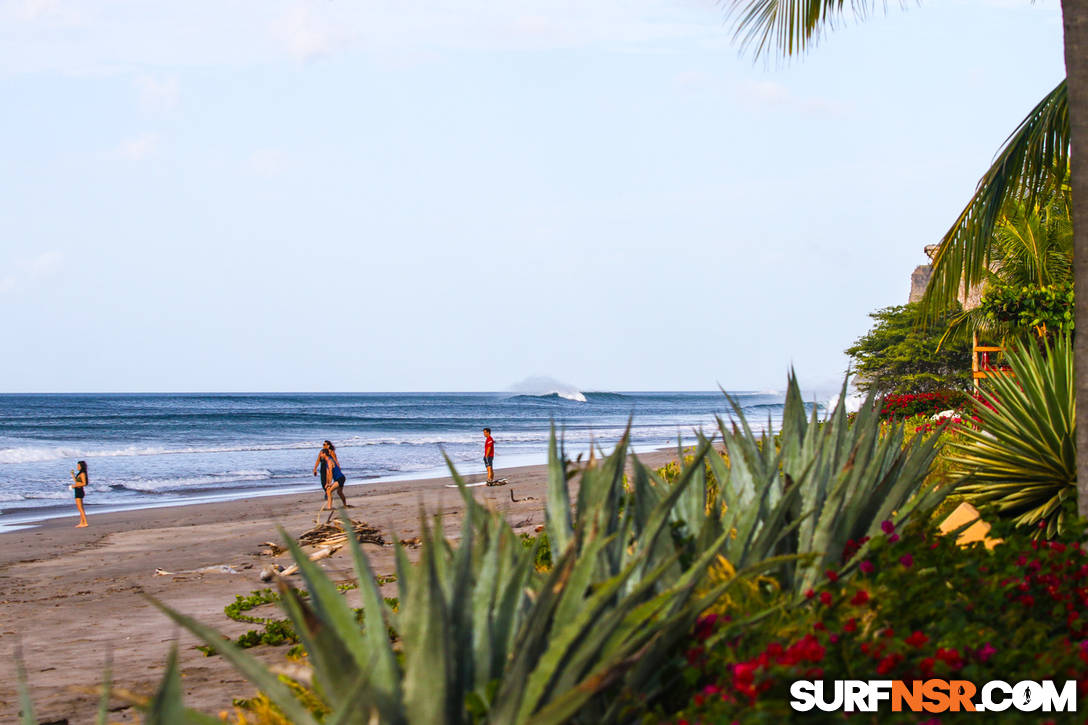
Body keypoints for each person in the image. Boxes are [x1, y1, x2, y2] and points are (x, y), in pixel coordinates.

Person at [325, 442, 349, 509]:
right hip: (340, 477)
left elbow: (330, 473)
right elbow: (328, 474)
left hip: (340, 478)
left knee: (329, 491)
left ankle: (329, 507)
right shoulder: (328, 461)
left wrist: (329, 484)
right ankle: (345, 505)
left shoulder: (330, 460)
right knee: (339, 492)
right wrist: (327, 483)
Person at [68, 460, 89, 528]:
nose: (77, 467)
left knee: (80, 508)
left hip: (79, 491)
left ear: (81, 466)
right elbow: (77, 482)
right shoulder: (80, 473)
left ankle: (85, 522)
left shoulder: (82, 474)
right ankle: (82, 522)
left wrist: (74, 486)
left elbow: (84, 483)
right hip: (78, 490)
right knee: (80, 508)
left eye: (78, 466)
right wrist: (73, 475)